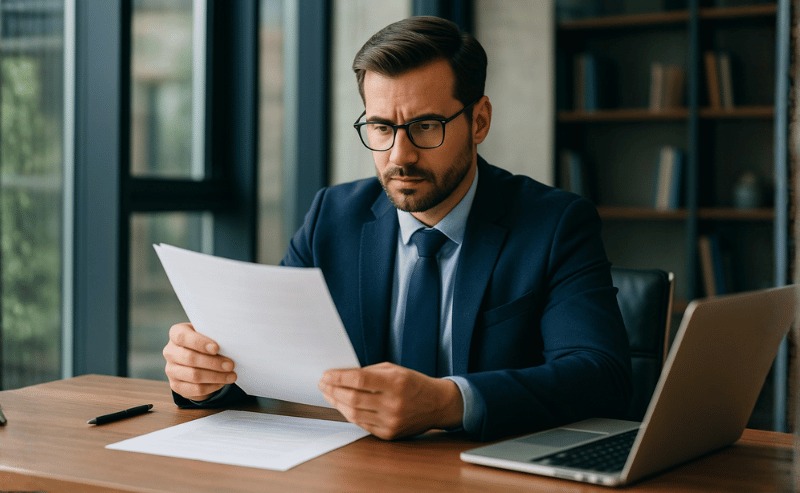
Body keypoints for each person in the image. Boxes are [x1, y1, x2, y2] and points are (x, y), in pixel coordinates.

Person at [163, 16, 631, 442]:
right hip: (353, 469)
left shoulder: (555, 223)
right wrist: (206, 379)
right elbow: (268, 362)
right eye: (382, 127)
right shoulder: (333, 215)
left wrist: (450, 401)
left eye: (426, 126)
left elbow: (600, 374)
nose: (399, 156)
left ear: (479, 120)